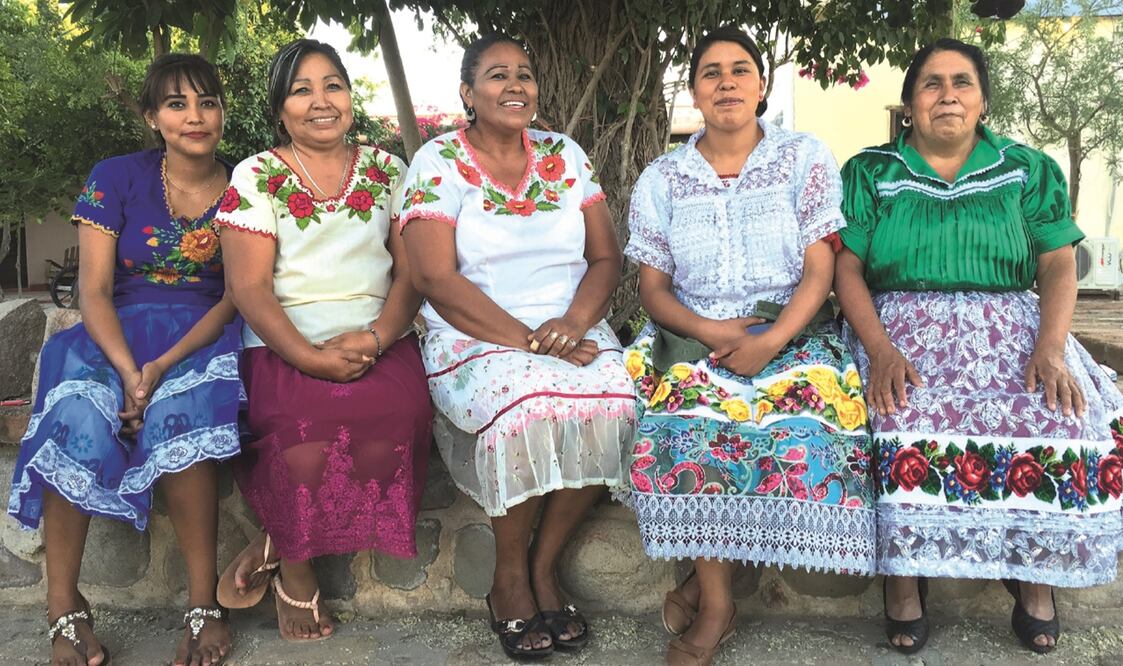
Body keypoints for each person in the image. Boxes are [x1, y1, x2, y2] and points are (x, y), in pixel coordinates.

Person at [835, 38, 1123, 655]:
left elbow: (1056, 263)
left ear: (982, 100)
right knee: (894, 417)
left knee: (1063, 416)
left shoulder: (1027, 169)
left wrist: (1050, 346)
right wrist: (880, 349)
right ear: (910, 104)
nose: (947, 94)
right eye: (931, 84)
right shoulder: (870, 171)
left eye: (961, 82)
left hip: (1015, 329)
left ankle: (1037, 583)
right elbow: (847, 269)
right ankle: (904, 583)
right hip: (898, 329)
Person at [623, 26, 876, 666]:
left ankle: (724, 578)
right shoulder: (664, 176)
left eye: (740, 70)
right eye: (711, 72)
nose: (727, 82)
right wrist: (710, 332)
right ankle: (717, 605)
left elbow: (821, 270)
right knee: (689, 432)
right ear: (693, 91)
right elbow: (652, 287)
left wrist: (772, 341)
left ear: (761, 86)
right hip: (694, 336)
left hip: (794, 332)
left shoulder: (802, 157)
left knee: (803, 431)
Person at [398, 33, 636, 661]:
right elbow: (433, 278)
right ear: (467, 93)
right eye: (497, 75)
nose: (514, 86)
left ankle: (543, 566)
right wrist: (534, 343)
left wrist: (575, 324)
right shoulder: (439, 161)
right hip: (475, 332)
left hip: (571, 328)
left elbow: (605, 256)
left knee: (617, 405)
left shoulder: (565, 154)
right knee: (530, 410)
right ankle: (508, 578)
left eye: (524, 75)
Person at [8, 54, 240, 666]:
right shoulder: (115, 176)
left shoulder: (249, 183)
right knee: (81, 414)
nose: (195, 116)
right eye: (176, 104)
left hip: (204, 333)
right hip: (112, 332)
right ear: (151, 117)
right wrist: (126, 370)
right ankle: (62, 606)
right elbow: (94, 291)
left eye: (207, 102)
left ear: (222, 112)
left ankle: (201, 604)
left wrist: (159, 370)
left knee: (181, 410)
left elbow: (238, 292)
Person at [213, 39, 432, 642]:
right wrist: (309, 356)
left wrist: (379, 336)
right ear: (279, 108)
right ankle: (298, 571)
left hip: (375, 333)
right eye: (301, 89)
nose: (320, 101)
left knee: (400, 413)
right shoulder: (256, 175)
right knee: (296, 430)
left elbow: (412, 272)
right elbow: (249, 286)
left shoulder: (390, 171)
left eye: (333, 85)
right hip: (284, 338)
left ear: (350, 97)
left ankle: (274, 540)